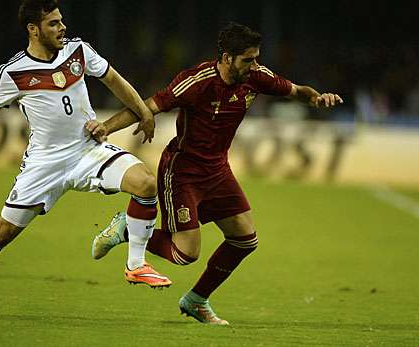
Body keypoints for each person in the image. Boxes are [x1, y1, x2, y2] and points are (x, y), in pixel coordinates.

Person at [0, 0, 171, 317]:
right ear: (33, 29)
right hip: (43, 165)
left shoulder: (78, 51)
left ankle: (135, 263)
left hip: (86, 150)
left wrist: (144, 113)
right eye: (53, 23)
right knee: (2, 234)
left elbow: (115, 81)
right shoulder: (13, 72)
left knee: (146, 184)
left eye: (61, 21)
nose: (62, 27)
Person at [90, 22, 343, 325]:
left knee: (244, 239)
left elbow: (296, 91)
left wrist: (316, 98)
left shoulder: (256, 77)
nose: (254, 65)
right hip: (182, 171)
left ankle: (196, 300)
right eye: (247, 59)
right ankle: (128, 228)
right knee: (186, 254)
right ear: (226, 57)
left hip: (217, 170)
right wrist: (107, 127)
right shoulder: (197, 81)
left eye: (256, 58)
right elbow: (149, 105)